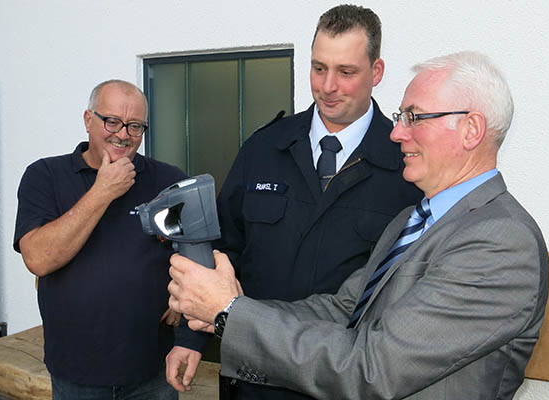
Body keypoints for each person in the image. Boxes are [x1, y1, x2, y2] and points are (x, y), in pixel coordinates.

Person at [168, 51, 549, 399]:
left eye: (414, 117)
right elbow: (341, 310)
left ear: (471, 129)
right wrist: (225, 313)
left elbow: (374, 368)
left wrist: (229, 312)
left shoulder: (500, 242)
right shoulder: (415, 219)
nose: (397, 132)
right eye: (401, 117)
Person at [165, 5, 422, 398]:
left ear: (377, 71)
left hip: (341, 382)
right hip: (251, 379)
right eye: (319, 68)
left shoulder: (407, 168)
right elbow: (222, 250)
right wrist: (191, 336)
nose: (328, 86)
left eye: (346, 72)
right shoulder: (265, 147)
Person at [13, 80, 205, 399]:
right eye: (112, 121)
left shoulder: (169, 181)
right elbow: (38, 259)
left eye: (134, 126)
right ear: (89, 120)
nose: (123, 134)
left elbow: (198, 259)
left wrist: (184, 312)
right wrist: (103, 191)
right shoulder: (45, 175)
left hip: (153, 370)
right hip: (77, 374)